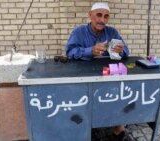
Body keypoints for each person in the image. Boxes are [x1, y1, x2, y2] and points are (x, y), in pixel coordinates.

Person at [65, 2, 133, 141]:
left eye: (106, 16)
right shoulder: (79, 32)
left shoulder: (112, 32)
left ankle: (118, 128)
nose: (102, 20)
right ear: (90, 15)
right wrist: (90, 50)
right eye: (99, 15)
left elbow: (126, 51)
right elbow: (70, 52)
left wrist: (122, 50)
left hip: (107, 74)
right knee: (84, 103)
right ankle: (86, 129)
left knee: (119, 94)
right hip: (84, 76)